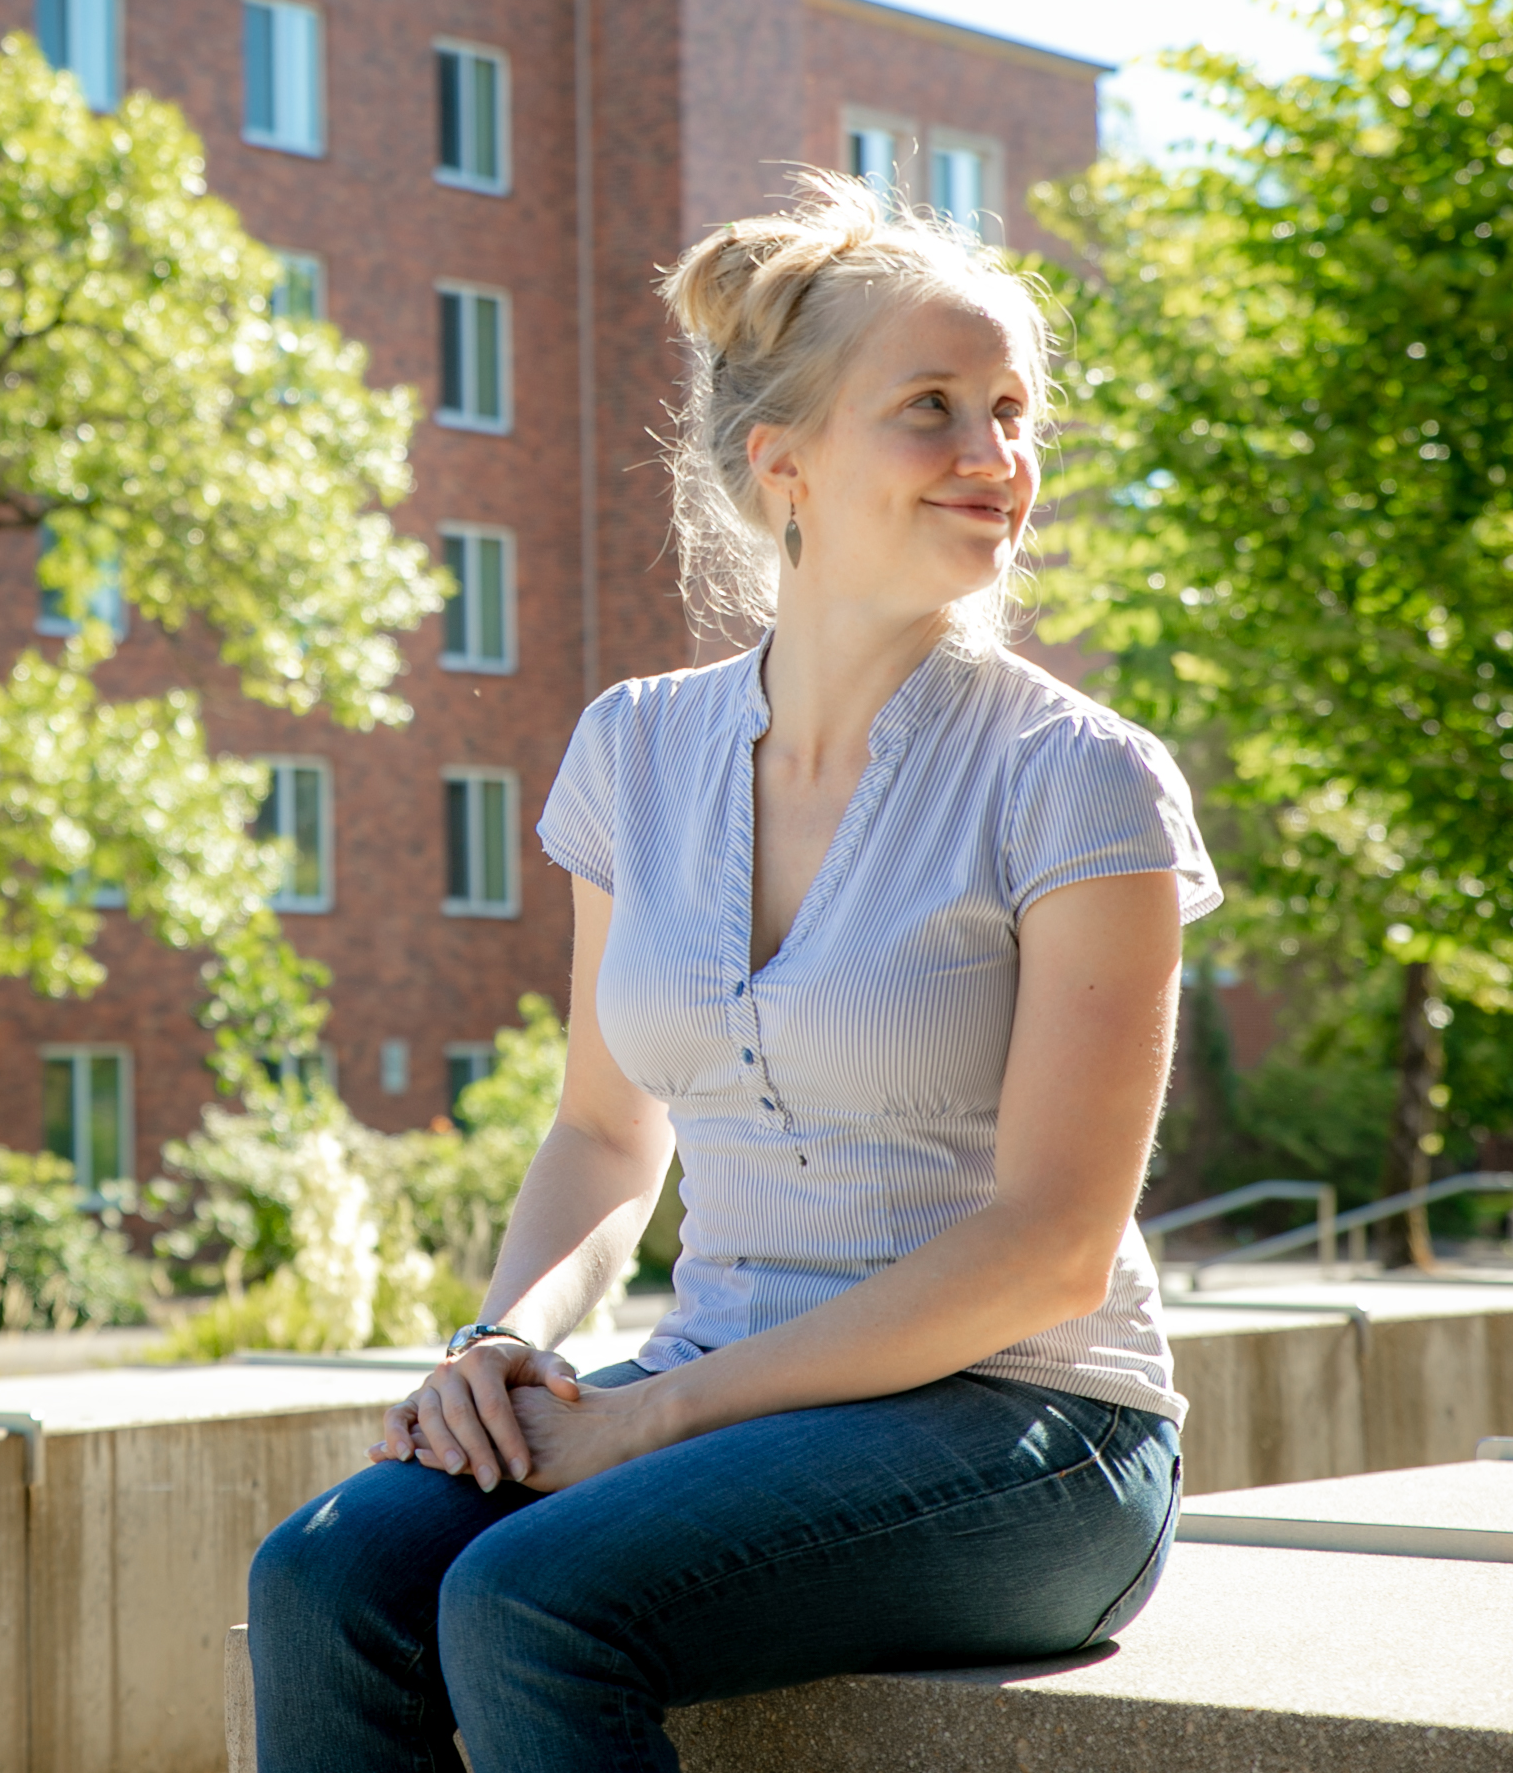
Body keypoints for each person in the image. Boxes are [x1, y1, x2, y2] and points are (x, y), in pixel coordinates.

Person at [246, 175, 1216, 1772]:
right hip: (730, 1397)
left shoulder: (1080, 781)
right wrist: (504, 1348)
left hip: (1034, 1432)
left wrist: (654, 1414)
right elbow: (605, 1139)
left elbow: (1053, 1247)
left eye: (1012, 413)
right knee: (329, 1571)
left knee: (530, 1598)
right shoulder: (635, 748)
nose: (997, 459)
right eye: (932, 410)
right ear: (785, 467)